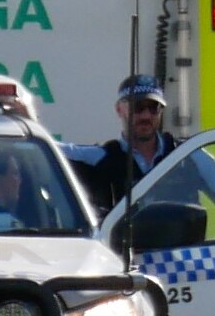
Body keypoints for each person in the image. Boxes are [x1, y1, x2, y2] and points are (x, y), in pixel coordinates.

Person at [70, 77, 173, 220]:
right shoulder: (100, 157)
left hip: (179, 243)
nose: (146, 115)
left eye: (153, 108)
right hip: (121, 242)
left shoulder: (186, 154)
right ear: (119, 109)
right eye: (138, 107)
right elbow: (47, 149)